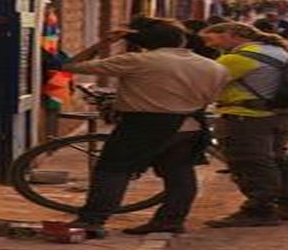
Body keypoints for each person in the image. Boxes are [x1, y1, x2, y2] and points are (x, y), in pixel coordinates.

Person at [61, 17, 231, 236]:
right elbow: (214, 96)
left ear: (144, 42)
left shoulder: (137, 60)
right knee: (179, 174)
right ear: (181, 40)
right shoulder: (214, 67)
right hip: (190, 124)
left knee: (113, 170)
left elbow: (71, 65)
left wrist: (104, 43)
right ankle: (170, 220)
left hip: (144, 123)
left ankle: (93, 219)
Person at [198, 22, 288, 227]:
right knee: (275, 159)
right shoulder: (276, 50)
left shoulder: (238, 58)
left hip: (245, 115)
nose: (208, 44)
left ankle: (259, 209)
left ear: (230, 34)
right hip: (278, 113)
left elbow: (201, 82)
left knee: (249, 162)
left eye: (211, 39)